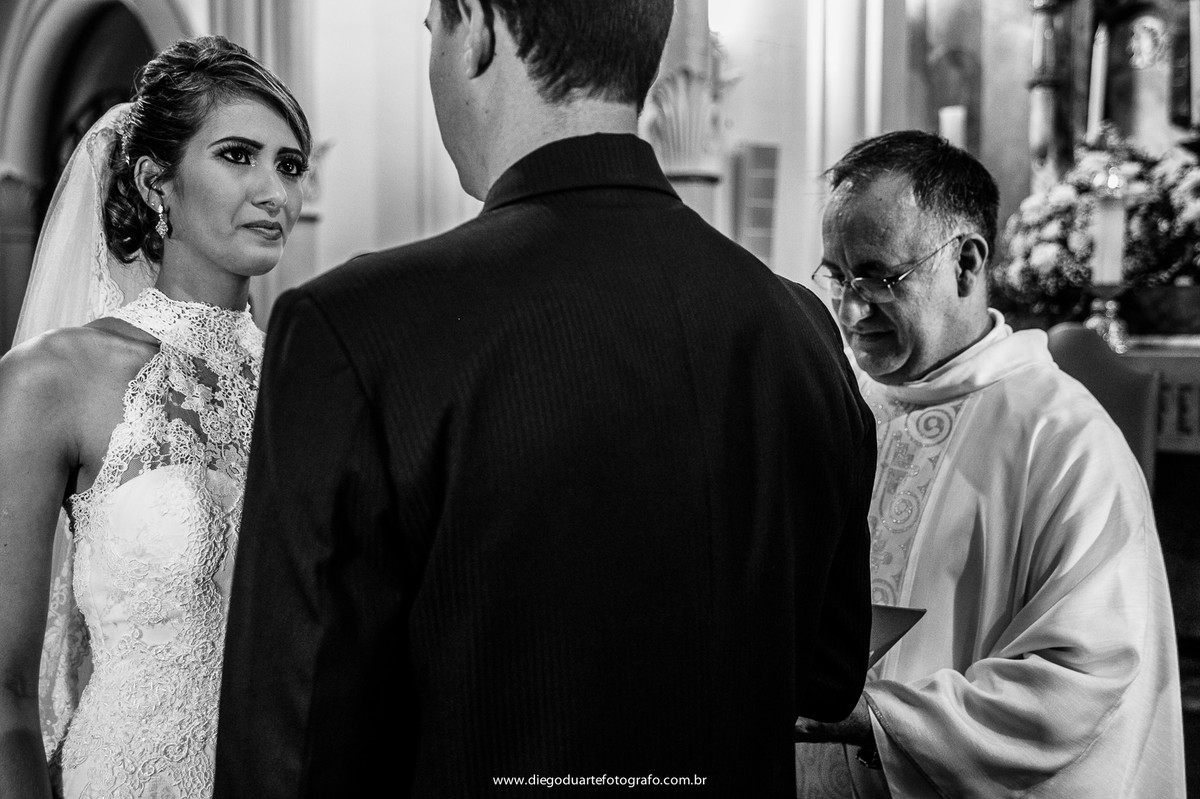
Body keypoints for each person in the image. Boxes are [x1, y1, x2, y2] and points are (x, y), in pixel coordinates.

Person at [212, 1, 875, 796]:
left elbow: (289, 753)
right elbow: (830, 676)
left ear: (480, 27)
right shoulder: (800, 330)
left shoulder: (355, 328)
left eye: (435, 30)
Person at [794, 129, 1185, 798]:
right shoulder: (838, 408)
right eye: (838, 275)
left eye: (879, 276)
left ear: (968, 263)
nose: (851, 309)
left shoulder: (1063, 440)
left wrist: (875, 717)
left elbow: (1081, 680)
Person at [0, 35, 311, 799]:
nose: (275, 191)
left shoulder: (312, 381)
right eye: (239, 155)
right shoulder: (55, 379)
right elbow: (3, 688)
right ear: (154, 180)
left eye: (290, 164)